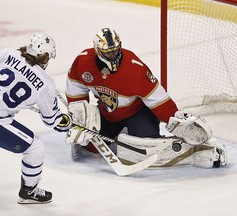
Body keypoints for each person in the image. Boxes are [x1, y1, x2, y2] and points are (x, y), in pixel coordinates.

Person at [64, 27, 227, 168]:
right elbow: (75, 89)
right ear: (98, 51)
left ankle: (197, 152)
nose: (113, 56)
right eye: (108, 53)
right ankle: (119, 132)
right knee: (89, 146)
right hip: (107, 113)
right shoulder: (84, 61)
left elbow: (158, 100)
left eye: (115, 51)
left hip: (137, 112)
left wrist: (175, 120)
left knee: (146, 148)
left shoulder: (135, 69)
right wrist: (80, 116)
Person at [0, 33, 71, 204]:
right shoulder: (45, 84)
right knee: (36, 147)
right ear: (46, 56)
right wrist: (67, 122)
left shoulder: (7, 53)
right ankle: (29, 191)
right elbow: (52, 120)